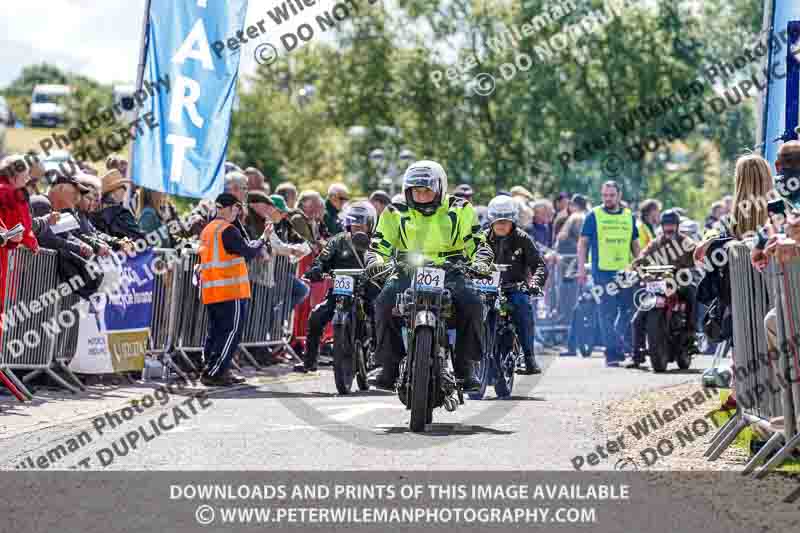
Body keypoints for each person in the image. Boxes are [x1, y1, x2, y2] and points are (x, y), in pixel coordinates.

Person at [365, 160, 493, 391]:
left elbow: (477, 242)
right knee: (383, 302)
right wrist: (375, 262)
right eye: (416, 191)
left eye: (426, 190)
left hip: (451, 270)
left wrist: (482, 262)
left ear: (440, 188)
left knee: (474, 303)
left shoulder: (460, 208)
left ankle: (466, 367)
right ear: (408, 191)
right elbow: (378, 246)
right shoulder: (395, 211)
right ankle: (388, 366)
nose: (421, 196)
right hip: (407, 270)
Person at [297, 201, 380, 373]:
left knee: (379, 313)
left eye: (361, 223)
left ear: (370, 224)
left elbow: (384, 262)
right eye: (353, 222)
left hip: (366, 289)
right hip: (340, 291)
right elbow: (322, 259)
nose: (356, 226)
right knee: (316, 316)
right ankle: (309, 360)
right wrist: (316, 269)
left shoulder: (377, 243)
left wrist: (380, 273)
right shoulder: (338, 241)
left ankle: (378, 358)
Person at [197, 193, 268, 386]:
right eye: (236, 208)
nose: (238, 212)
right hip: (231, 290)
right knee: (231, 332)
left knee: (216, 332)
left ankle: (216, 370)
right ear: (227, 208)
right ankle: (214, 372)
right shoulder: (227, 230)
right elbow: (248, 252)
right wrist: (263, 239)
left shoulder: (208, 229)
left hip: (212, 290)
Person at [577, 181, 640, 366]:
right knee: (607, 312)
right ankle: (611, 353)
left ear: (619, 195)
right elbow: (582, 243)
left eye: (611, 195)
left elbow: (635, 244)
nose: (608, 199)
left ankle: (620, 344)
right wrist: (581, 269)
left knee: (628, 310)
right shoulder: (593, 215)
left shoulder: (629, 216)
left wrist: (641, 264)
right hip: (602, 272)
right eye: (605, 195)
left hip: (625, 272)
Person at [483, 196, 548, 374]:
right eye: (497, 220)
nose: (501, 224)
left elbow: (539, 265)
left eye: (505, 220)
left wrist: (534, 283)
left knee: (523, 307)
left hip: (514, 287)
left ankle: (529, 357)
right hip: (485, 290)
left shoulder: (523, 239)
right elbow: (468, 261)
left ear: (513, 220)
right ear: (491, 220)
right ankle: (464, 361)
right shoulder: (481, 239)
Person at [629, 209, 697, 367]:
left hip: (680, 284)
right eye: (666, 225)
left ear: (677, 226)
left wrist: (694, 265)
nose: (669, 228)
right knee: (636, 320)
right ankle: (637, 355)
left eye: (672, 225)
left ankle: (691, 333)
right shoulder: (656, 243)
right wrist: (641, 273)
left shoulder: (686, 242)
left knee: (693, 294)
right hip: (659, 286)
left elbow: (698, 256)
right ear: (662, 226)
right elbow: (640, 261)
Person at [91, 169, 145, 240]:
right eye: (122, 187)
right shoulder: (120, 213)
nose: (125, 190)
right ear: (112, 194)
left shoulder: (93, 216)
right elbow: (138, 236)